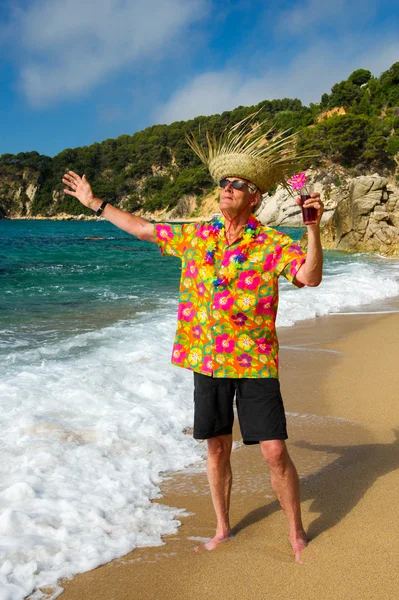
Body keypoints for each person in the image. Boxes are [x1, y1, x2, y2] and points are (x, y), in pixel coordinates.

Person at [62, 117, 323, 563]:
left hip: (255, 360)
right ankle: (222, 527)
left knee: (275, 451)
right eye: (224, 182)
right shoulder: (198, 235)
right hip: (208, 359)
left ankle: (295, 531)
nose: (228, 189)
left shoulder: (273, 242)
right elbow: (144, 229)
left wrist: (313, 227)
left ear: (255, 196)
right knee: (217, 446)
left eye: (238, 184)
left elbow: (309, 277)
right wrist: (95, 203)